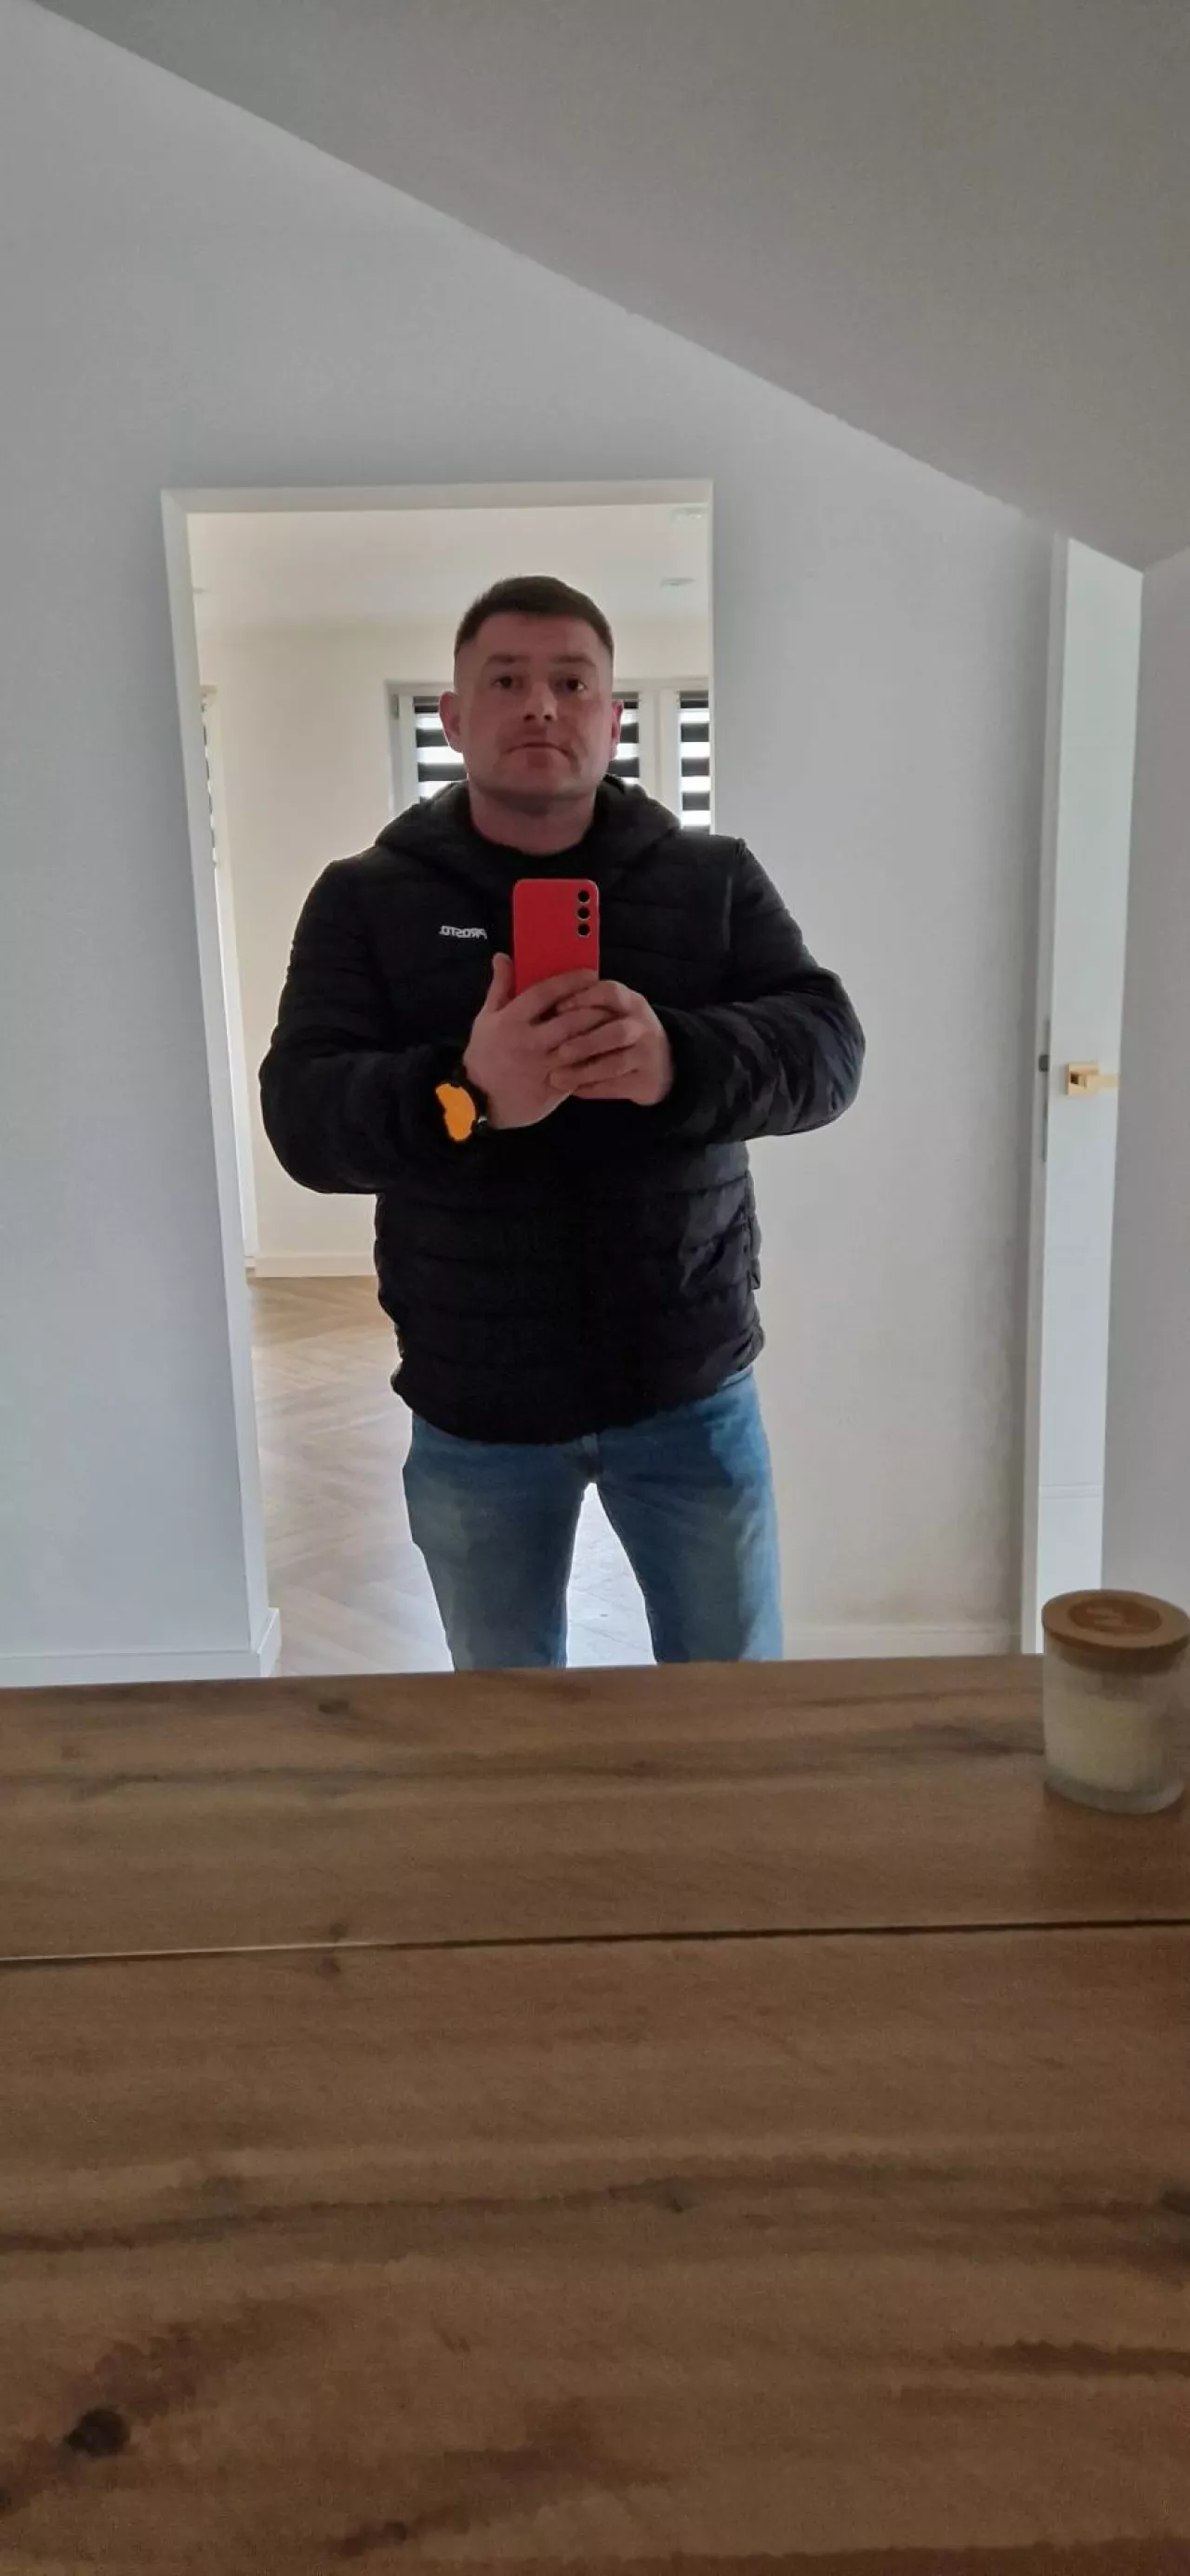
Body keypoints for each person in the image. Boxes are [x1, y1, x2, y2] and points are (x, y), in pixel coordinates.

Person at [260, 575, 864, 1670]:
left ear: (611, 717)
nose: (540, 703)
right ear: (453, 717)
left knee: (732, 1705)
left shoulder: (713, 878)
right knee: (504, 1716)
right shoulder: (363, 896)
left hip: (688, 1382)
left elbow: (828, 1051)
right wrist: (468, 1093)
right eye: (505, 679)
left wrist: (676, 1057)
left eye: (571, 681)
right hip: (475, 1395)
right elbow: (303, 1119)